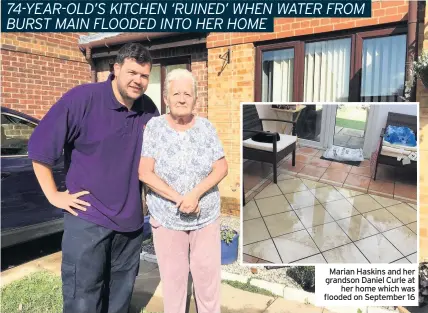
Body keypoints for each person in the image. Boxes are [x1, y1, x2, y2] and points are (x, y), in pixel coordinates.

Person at [28, 43, 159, 313]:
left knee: (119, 299)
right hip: (88, 220)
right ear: (116, 68)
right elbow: (40, 148)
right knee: (83, 300)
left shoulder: (149, 110)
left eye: (144, 75)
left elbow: (157, 161)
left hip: (131, 226)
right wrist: (54, 195)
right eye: (132, 72)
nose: (138, 81)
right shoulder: (82, 99)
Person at [139, 68, 228, 313]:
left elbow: (221, 168)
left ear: (195, 99)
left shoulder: (206, 128)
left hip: (205, 217)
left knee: (208, 281)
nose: (181, 99)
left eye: (187, 94)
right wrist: (180, 198)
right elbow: (145, 172)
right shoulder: (154, 127)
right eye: (175, 93)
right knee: (174, 283)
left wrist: (195, 194)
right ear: (166, 98)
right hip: (167, 218)